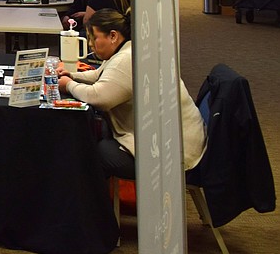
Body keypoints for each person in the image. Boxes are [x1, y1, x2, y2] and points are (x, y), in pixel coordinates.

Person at [58, 9, 206, 178]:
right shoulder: (131, 50)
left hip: (173, 153)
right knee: (99, 135)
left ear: (113, 36)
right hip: (178, 139)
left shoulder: (126, 59)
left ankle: (95, 203)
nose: (91, 44)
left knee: (93, 153)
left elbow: (98, 98)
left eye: (94, 37)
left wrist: (69, 85)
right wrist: (72, 76)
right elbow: (100, 75)